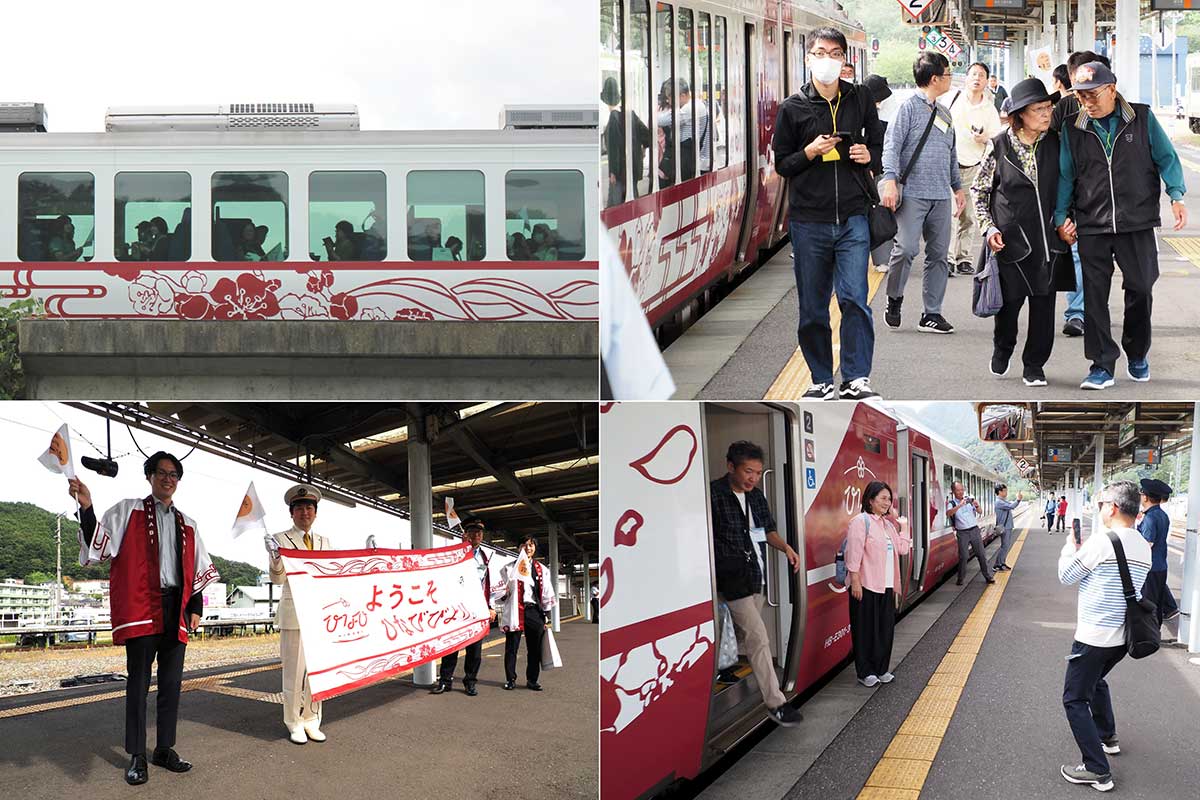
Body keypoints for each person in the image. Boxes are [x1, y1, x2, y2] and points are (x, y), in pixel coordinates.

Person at [68, 452, 218, 786]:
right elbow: (98, 544)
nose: (168, 478)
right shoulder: (128, 510)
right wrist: (87, 507)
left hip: (175, 607)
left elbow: (194, 567)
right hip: (142, 606)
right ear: (149, 476)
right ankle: (137, 754)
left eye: (174, 474)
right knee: (138, 683)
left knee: (171, 683)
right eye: (162, 473)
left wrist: (195, 608)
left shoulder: (188, 523)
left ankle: (164, 748)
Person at [1055, 60, 1188, 389]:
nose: (1087, 102)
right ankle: (1101, 364)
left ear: (1112, 90)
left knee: (1141, 288)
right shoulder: (1074, 127)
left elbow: (1167, 157)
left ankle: (1137, 352)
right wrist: (1060, 217)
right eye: (1081, 96)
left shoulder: (1141, 118)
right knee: (1095, 296)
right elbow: (1065, 174)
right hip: (1092, 224)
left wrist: (1176, 195)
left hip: (1138, 222)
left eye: (1093, 95)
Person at [772, 26, 885, 401]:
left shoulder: (860, 98)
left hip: (853, 215)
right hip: (809, 221)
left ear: (844, 60)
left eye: (835, 53)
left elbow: (879, 144)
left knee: (855, 298)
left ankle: (856, 377)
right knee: (813, 307)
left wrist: (871, 157)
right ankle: (821, 378)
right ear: (808, 58)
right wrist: (809, 152)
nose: (827, 60)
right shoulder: (792, 107)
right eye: (820, 52)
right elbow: (783, 165)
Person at [970, 77, 1068, 388]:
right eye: (1038, 108)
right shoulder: (999, 146)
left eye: (1048, 107)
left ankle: (1034, 365)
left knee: (1043, 309)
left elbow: (1071, 187)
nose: (1045, 113)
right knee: (1009, 307)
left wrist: (1069, 220)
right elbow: (979, 190)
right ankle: (1003, 348)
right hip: (1010, 243)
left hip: (1048, 243)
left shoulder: (1056, 143)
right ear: (1021, 114)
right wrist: (988, 228)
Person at [1057, 480, 1152, 793]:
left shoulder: (1102, 542)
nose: (1099, 510)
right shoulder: (1142, 545)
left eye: (1101, 504)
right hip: (1121, 640)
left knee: (1073, 699)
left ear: (1112, 507)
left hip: (1094, 637)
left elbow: (1066, 575)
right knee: (1096, 681)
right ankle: (1107, 737)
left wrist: (1070, 546)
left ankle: (1098, 770)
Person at [711, 440, 803, 726]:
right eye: (748, 471)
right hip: (732, 578)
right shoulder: (713, 495)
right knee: (759, 638)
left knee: (745, 636)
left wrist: (785, 548)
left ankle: (719, 667)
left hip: (756, 576)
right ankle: (776, 703)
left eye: (758, 472)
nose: (753, 478)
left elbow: (768, 531)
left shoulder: (756, 497)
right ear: (731, 467)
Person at [880, 52, 965, 335]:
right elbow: (891, 146)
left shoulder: (944, 113)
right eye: (948, 73)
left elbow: (951, 153)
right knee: (905, 248)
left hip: (941, 194)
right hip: (913, 193)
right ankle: (894, 298)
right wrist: (890, 179)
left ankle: (932, 313)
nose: (951, 78)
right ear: (934, 79)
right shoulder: (907, 109)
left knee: (939, 254)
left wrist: (957, 187)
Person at [1051, 51, 1110, 340]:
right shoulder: (1063, 109)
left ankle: (1093, 309)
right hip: (1075, 196)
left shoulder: (1126, 113)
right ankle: (1077, 313)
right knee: (1077, 254)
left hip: (1111, 202)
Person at [265, 484, 330, 744]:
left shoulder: (326, 542)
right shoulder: (280, 539)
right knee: (293, 672)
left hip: (319, 613)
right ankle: (293, 722)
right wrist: (274, 557)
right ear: (292, 513)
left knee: (316, 671)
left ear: (315, 513)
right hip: (293, 613)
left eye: (309, 507)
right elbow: (278, 579)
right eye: (300, 508)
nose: (305, 512)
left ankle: (312, 719)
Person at [844, 480, 911, 687]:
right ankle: (865, 672)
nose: (887, 502)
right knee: (864, 630)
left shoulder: (889, 525)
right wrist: (854, 581)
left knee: (885, 629)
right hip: (865, 585)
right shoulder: (860, 522)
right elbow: (853, 553)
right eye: (883, 498)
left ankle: (881, 668)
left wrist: (905, 527)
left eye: (889, 499)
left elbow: (903, 550)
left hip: (886, 586)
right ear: (870, 500)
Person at [431, 518, 499, 696]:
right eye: (473, 532)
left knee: (474, 650)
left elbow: (488, 585)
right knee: (451, 646)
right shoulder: (454, 554)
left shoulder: (486, 558)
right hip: (456, 609)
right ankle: (445, 681)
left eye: (479, 532)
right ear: (465, 534)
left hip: (476, 610)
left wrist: (491, 607)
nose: (477, 535)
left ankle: (470, 682)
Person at [948, 62, 1003, 277]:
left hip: (975, 166)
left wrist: (984, 138)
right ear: (967, 77)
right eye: (973, 74)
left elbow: (998, 137)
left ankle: (964, 258)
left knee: (969, 216)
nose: (976, 78)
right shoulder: (953, 100)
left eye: (981, 75)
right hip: (950, 165)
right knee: (952, 214)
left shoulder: (989, 108)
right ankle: (949, 258)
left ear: (986, 80)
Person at [497, 535, 556, 691]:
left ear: (534, 548)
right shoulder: (508, 569)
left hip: (534, 611)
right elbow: (499, 593)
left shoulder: (542, 570)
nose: (528, 548)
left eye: (531, 545)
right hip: (515, 611)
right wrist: (504, 592)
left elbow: (547, 592)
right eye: (524, 544)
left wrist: (547, 616)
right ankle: (510, 679)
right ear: (519, 547)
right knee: (511, 648)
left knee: (534, 648)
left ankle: (532, 680)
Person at [1137, 478, 1180, 631]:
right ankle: (1156, 630)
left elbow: (1147, 544)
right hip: (1161, 564)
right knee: (1158, 600)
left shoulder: (1150, 518)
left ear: (1146, 497)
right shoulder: (1162, 515)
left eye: (1141, 494)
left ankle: (1150, 633)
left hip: (1150, 566)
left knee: (1149, 601)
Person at [863, 74, 895, 273]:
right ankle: (881, 258)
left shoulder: (876, 116)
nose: (879, 104)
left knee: (877, 212)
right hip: (869, 172)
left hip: (875, 172)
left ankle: (882, 257)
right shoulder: (869, 115)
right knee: (878, 212)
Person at [603, 75, 650, 207]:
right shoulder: (630, 113)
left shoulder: (613, 117)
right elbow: (647, 135)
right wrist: (643, 150)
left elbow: (613, 148)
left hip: (620, 172)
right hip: (633, 167)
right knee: (632, 199)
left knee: (616, 204)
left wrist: (613, 171)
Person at [656, 78, 710, 180]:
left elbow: (660, 120)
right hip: (696, 161)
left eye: (671, 98)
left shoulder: (690, 108)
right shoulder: (698, 104)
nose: (669, 101)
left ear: (682, 95)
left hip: (693, 163)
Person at [947, 480, 995, 586]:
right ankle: (960, 579)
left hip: (974, 530)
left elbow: (980, 512)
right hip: (962, 532)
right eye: (958, 490)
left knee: (981, 555)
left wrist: (977, 505)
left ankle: (988, 576)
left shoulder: (969, 501)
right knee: (963, 557)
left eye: (962, 490)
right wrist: (959, 505)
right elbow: (949, 513)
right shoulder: (952, 503)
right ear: (953, 491)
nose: (960, 492)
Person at [992, 484, 1022, 571]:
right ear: (1000, 492)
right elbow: (1012, 506)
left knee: (1006, 546)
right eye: (1005, 491)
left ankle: (1002, 563)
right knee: (1004, 546)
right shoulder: (999, 502)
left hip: (1007, 526)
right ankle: (997, 565)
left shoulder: (1003, 501)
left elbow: (1011, 505)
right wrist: (1018, 500)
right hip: (1004, 527)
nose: (1006, 492)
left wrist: (1017, 500)